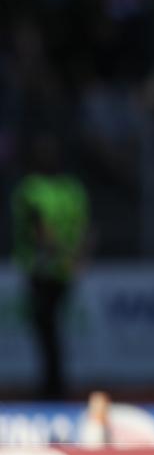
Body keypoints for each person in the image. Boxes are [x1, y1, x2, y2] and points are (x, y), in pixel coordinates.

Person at [11, 133, 90, 399]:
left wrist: (64, 253)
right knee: (51, 328)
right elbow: (82, 229)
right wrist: (76, 257)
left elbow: (40, 230)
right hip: (63, 268)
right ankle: (54, 384)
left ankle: (52, 388)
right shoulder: (72, 188)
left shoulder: (32, 188)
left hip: (43, 268)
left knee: (46, 328)